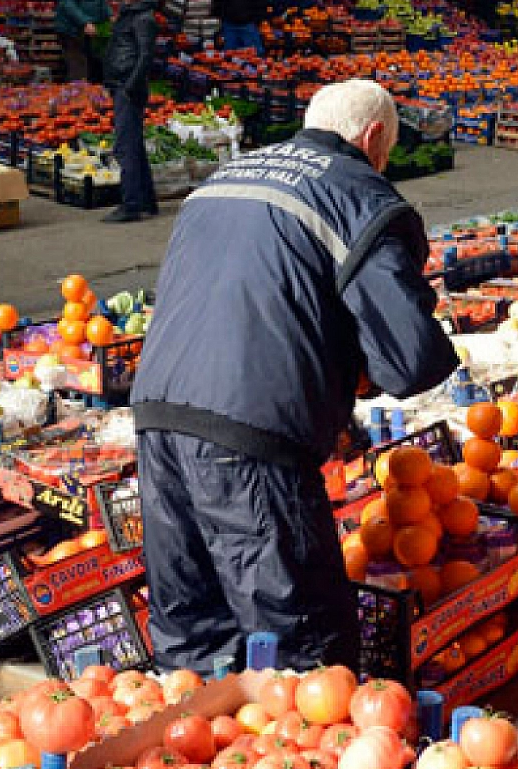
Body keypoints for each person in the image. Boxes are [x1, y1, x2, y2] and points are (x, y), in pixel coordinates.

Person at [130, 79, 460, 672]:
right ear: (374, 137)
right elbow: (409, 357)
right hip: (251, 440)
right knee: (304, 652)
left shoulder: (224, 177)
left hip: (157, 420)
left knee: (192, 644)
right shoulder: (358, 193)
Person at [102, 0, 158, 223]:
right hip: (121, 84)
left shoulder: (143, 18)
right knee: (134, 145)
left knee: (125, 147)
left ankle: (131, 205)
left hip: (128, 87)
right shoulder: (128, 14)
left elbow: (145, 56)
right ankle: (146, 201)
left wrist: (129, 86)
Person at [55, 0, 111, 82]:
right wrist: (84, 22)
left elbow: (100, 0)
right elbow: (67, 3)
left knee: (93, 66)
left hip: (88, 30)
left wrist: (109, 15)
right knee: (78, 68)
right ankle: (76, 97)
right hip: (71, 31)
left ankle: (93, 97)